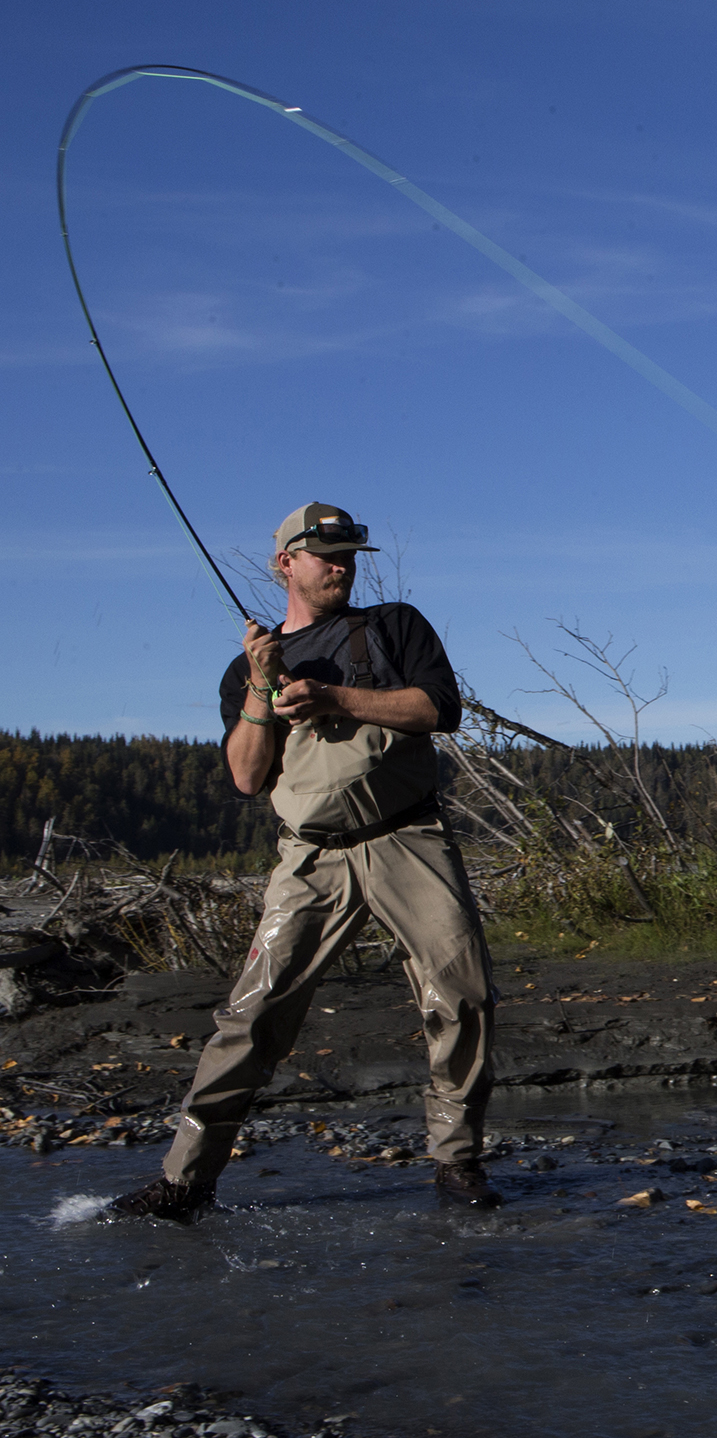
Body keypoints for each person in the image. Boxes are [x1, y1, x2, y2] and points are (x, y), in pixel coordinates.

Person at [111, 503, 501, 1219]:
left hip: (406, 838)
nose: (342, 566)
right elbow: (246, 777)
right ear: (285, 563)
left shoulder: (393, 625)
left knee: (463, 999)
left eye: (350, 554)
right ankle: (183, 1181)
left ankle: (457, 1161)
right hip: (309, 861)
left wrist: (332, 695)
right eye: (326, 555)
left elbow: (438, 710)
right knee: (251, 1015)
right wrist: (263, 686)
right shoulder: (247, 665)